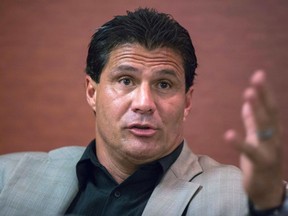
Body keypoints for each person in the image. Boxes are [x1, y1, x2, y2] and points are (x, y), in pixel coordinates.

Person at [0, 8, 287, 216]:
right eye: (126, 80)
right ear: (92, 92)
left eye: (164, 84)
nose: (144, 103)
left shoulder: (240, 196)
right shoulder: (8, 177)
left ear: (187, 102)